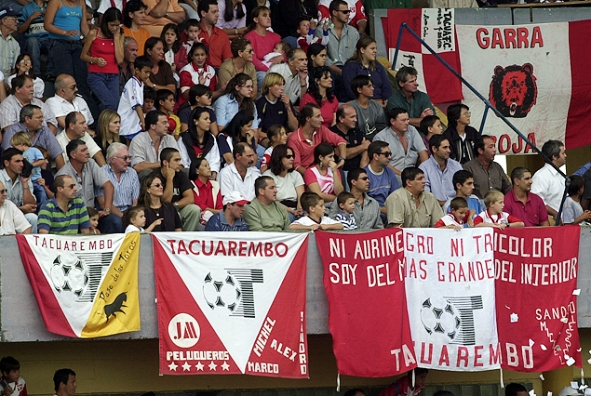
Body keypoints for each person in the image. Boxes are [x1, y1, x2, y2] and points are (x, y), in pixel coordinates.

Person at [56, 139, 121, 233]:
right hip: (74, 217)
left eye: (87, 149)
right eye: (83, 151)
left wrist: (106, 210)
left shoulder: (91, 163)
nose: (87, 152)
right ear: (73, 155)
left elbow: (108, 185)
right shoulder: (63, 175)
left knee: (114, 221)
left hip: (93, 215)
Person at [44, 0, 91, 101]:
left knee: (82, 77)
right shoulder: (56, 2)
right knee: (66, 78)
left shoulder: (81, 2)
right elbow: (47, 25)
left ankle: (83, 108)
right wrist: (65, 32)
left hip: (76, 44)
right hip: (59, 43)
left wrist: (93, 41)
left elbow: (83, 26)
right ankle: (66, 107)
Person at [80, 7, 124, 111]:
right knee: (112, 105)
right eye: (112, 25)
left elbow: (120, 60)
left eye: (117, 25)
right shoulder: (93, 33)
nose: (114, 28)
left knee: (115, 105)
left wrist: (116, 38)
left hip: (113, 75)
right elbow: (83, 56)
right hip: (96, 75)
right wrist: (95, 60)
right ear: (106, 23)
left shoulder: (120, 34)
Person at [373, 107, 428, 185]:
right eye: (403, 120)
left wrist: (426, 171)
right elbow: (382, 163)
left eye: (407, 119)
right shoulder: (381, 137)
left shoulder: (412, 130)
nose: (407, 123)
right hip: (392, 174)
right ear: (392, 121)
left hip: (413, 174)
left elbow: (422, 151)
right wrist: (402, 175)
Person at [288, 103, 347, 175]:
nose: (322, 119)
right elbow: (297, 166)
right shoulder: (294, 139)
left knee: (339, 173)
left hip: (321, 170)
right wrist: (315, 177)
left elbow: (341, 141)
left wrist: (342, 159)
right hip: (305, 175)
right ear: (308, 119)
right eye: (318, 116)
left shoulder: (321, 129)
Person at [152, 147, 202, 231]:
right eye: (176, 160)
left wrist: (174, 206)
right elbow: (166, 201)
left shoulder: (180, 175)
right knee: (170, 214)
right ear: (165, 162)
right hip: (160, 212)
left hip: (176, 208)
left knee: (194, 209)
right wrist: (169, 179)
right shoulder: (154, 177)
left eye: (180, 160)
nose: (180, 163)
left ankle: (185, 239)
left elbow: (190, 198)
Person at [1, 105, 65, 170]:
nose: (42, 120)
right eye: (39, 117)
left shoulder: (45, 131)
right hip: (21, 173)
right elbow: (8, 158)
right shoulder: (13, 131)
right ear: (27, 119)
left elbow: (58, 155)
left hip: (43, 174)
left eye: (42, 117)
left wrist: (62, 177)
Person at [317, 0, 357, 100]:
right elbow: (320, 55)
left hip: (349, 68)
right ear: (334, 13)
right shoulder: (321, 30)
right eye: (345, 12)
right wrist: (339, 71)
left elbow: (357, 54)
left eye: (349, 11)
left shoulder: (353, 32)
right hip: (330, 68)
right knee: (330, 77)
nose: (348, 14)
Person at [129, 110, 188, 177]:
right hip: (149, 180)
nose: (168, 125)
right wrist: (163, 164)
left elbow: (179, 162)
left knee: (186, 171)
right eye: (164, 123)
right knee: (146, 173)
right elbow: (137, 166)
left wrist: (171, 164)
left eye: (167, 123)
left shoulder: (170, 139)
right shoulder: (139, 140)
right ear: (153, 126)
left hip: (167, 173)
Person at [342, 36, 392, 105]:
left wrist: (386, 100)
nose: (375, 51)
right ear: (362, 50)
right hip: (359, 105)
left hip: (380, 104)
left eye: (376, 48)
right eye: (372, 48)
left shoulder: (378, 66)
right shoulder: (351, 66)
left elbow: (387, 87)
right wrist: (370, 104)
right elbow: (351, 91)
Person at [0, 148, 38, 233]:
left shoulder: (24, 177)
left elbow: (31, 206)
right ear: (6, 163)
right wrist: (21, 209)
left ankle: (28, 245)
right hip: (3, 215)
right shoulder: (0, 177)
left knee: (33, 218)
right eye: (17, 161)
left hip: (18, 216)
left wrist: (25, 183)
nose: (21, 164)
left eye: (22, 161)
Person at [463, 135, 512, 199]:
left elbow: (508, 189)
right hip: (478, 207)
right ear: (480, 150)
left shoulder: (497, 167)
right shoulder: (468, 168)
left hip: (498, 206)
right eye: (491, 147)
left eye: (494, 146)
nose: (494, 150)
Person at [263, 144, 305, 219]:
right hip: (277, 209)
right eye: (288, 157)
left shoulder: (296, 174)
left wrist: (299, 209)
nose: (292, 159)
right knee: (290, 218)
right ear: (278, 158)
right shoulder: (267, 176)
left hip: (296, 208)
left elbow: (301, 196)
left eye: (293, 156)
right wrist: (292, 212)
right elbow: (270, 200)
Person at [419, 135, 463, 206]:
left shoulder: (456, 165)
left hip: (458, 208)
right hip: (435, 209)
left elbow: (464, 189)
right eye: (445, 147)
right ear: (434, 149)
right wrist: (447, 205)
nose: (449, 150)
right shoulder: (424, 168)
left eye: (449, 147)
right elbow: (425, 196)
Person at [100, 142, 140, 219]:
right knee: (116, 221)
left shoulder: (132, 172)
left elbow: (135, 201)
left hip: (129, 212)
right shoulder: (101, 173)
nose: (128, 161)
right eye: (125, 158)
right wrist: (124, 217)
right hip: (110, 213)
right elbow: (103, 203)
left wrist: (132, 216)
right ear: (112, 160)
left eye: (129, 157)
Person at [531, 140, 568, 221]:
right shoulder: (541, 176)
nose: (565, 155)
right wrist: (555, 213)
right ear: (554, 156)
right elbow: (536, 201)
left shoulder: (561, 175)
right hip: (551, 223)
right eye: (563, 153)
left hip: (565, 223)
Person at [118, 55, 152, 139]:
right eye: (146, 72)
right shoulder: (133, 84)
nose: (148, 75)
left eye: (149, 72)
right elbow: (137, 105)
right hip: (127, 123)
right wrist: (143, 122)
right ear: (137, 70)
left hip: (133, 123)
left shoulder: (141, 83)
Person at [180, 107, 221, 176]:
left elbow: (215, 160)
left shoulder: (211, 138)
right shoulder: (184, 139)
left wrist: (213, 173)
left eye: (209, 119)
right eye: (205, 119)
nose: (209, 121)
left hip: (207, 177)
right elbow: (183, 162)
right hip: (189, 177)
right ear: (195, 121)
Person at [10, 132, 48, 206]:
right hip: (27, 180)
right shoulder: (20, 154)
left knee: (42, 196)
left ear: (21, 144)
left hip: (36, 179)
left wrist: (31, 165)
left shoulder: (34, 150)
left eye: (15, 146)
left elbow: (42, 160)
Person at [364, 140, 399, 218]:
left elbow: (396, 196)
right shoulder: (364, 174)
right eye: (386, 154)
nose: (390, 157)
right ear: (376, 156)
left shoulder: (390, 172)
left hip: (389, 213)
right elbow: (362, 202)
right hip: (370, 215)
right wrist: (382, 210)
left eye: (390, 154)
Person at [18, 0, 52, 78]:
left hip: (48, 38)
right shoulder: (26, 9)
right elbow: (20, 30)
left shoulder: (51, 7)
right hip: (34, 39)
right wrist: (31, 18)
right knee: (32, 41)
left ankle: (51, 74)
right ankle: (36, 74)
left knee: (54, 42)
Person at [244, 6, 282, 76]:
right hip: (258, 71)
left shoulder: (275, 36)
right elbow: (252, 59)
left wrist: (282, 57)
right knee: (263, 76)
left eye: (269, 15)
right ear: (256, 19)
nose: (268, 18)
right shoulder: (249, 37)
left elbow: (285, 52)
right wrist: (269, 70)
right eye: (264, 15)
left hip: (277, 69)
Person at [347, 75, 387, 141]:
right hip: (356, 142)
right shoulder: (350, 107)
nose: (373, 88)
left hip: (376, 142)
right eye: (369, 86)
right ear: (359, 89)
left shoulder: (376, 106)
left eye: (372, 86)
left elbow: (381, 128)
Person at [331, 104, 370, 171]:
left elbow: (366, 151)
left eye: (356, 117)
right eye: (352, 117)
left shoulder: (357, 131)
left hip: (358, 170)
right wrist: (362, 147)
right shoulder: (331, 133)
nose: (355, 120)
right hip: (340, 171)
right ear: (341, 119)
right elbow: (343, 153)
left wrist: (360, 173)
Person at [178, 42, 218, 106]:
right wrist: (199, 86)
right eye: (197, 55)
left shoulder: (211, 70)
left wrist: (222, 91)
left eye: (202, 55)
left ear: (206, 56)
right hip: (187, 106)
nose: (200, 58)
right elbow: (185, 94)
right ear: (191, 56)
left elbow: (211, 93)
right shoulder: (186, 70)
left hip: (205, 105)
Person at [197, 0, 232, 68]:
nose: (217, 15)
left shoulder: (222, 34)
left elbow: (227, 61)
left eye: (217, 11)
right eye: (214, 12)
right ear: (203, 13)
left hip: (218, 72)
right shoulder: (192, 32)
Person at [189, 157, 222, 227]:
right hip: (198, 219)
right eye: (205, 166)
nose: (209, 168)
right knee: (206, 214)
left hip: (215, 217)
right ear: (197, 171)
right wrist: (219, 212)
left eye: (208, 165)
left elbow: (220, 206)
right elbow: (200, 207)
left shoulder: (215, 185)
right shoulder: (192, 185)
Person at [0, 6, 20, 78]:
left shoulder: (15, 44)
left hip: (7, 83)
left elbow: (15, 69)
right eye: (14, 19)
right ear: (4, 21)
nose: (17, 22)